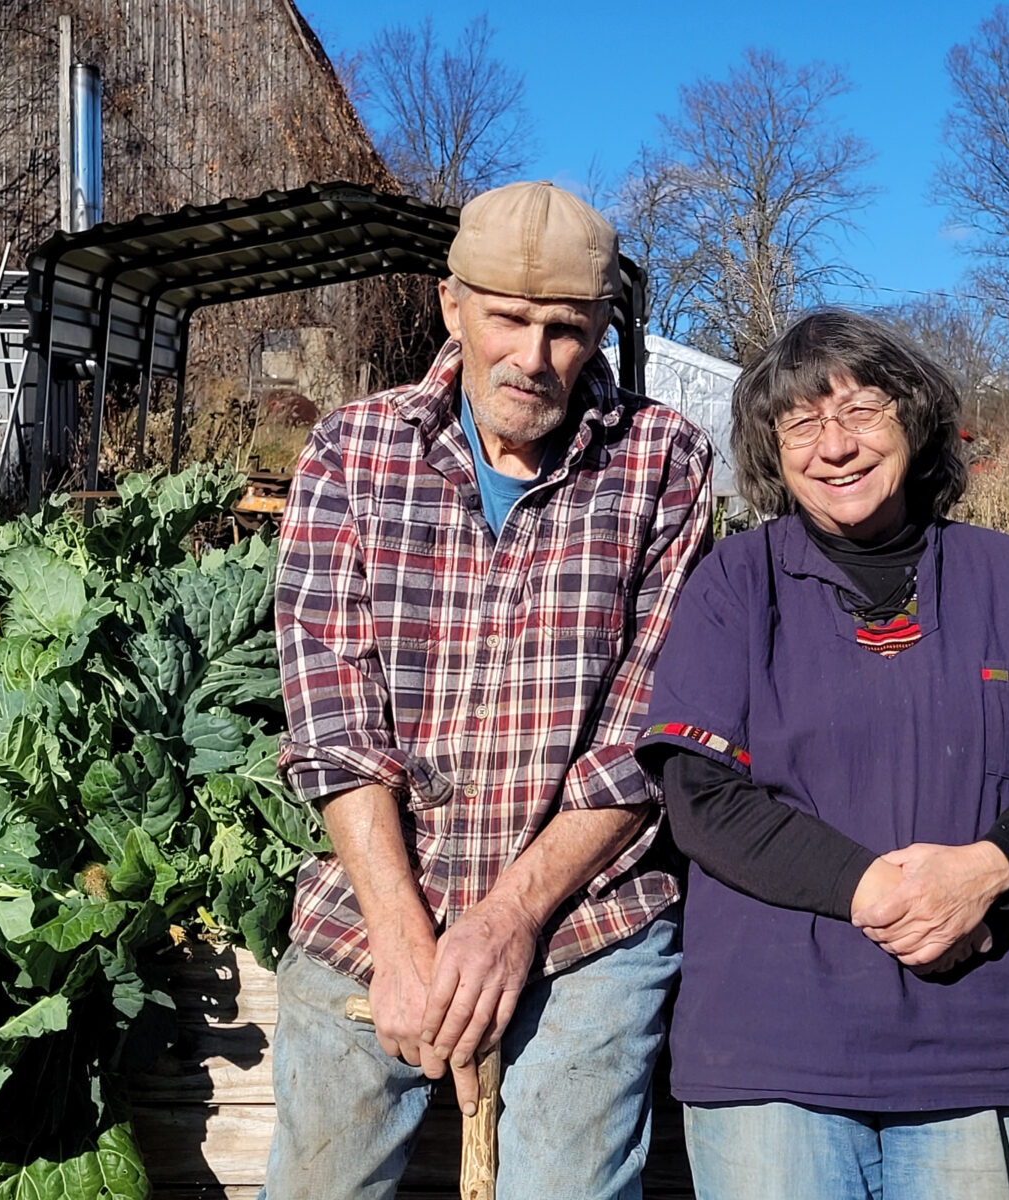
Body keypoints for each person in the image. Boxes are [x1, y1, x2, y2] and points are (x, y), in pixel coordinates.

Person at [267, 180, 712, 1199]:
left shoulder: (662, 462)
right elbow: (332, 717)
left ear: (602, 325)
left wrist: (510, 919)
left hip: (583, 921)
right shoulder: (354, 449)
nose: (533, 356)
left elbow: (643, 733)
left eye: (567, 328)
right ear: (451, 306)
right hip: (374, 909)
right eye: (508, 319)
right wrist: (403, 937)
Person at [634, 310, 1009, 1200]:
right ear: (772, 450)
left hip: (980, 1039)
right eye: (801, 424)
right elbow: (698, 793)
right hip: (773, 1049)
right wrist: (879, 891)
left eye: (860, 410)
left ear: (914, 417)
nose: (835, 446)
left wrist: (986, 871)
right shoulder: (734, 585)